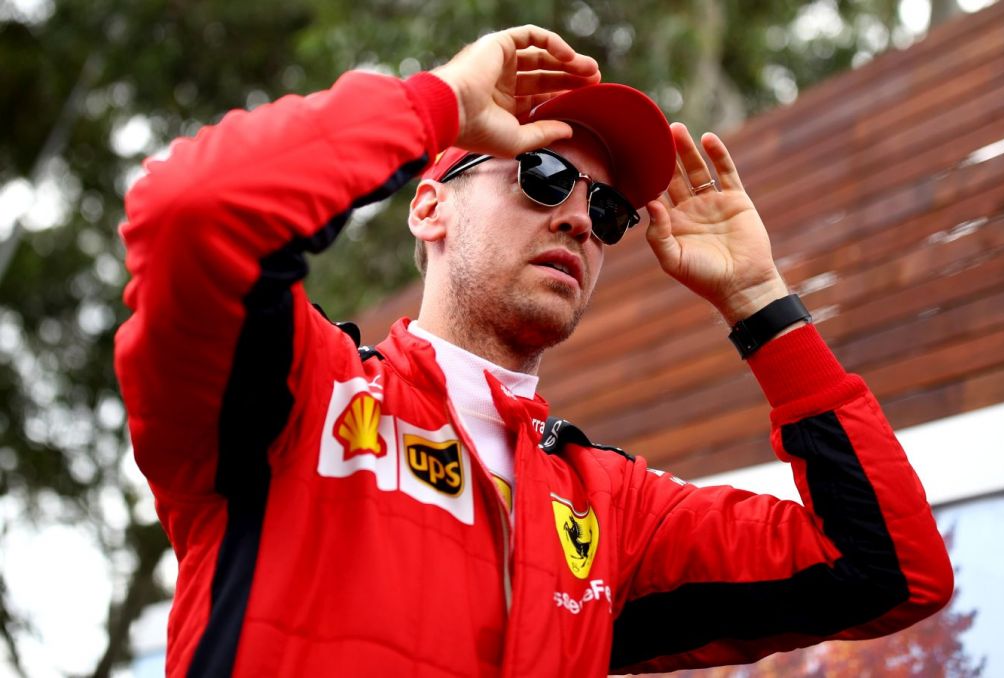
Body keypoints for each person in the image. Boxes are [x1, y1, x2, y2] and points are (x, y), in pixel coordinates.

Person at [115, 25, 952, 678]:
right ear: (430, 208)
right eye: (542, 173)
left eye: (609, 210)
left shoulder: (614, 511)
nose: (580, 219)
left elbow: (891, 571)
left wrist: (759, 302)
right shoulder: (303, 394)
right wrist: (439, 102)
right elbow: (193, 212)